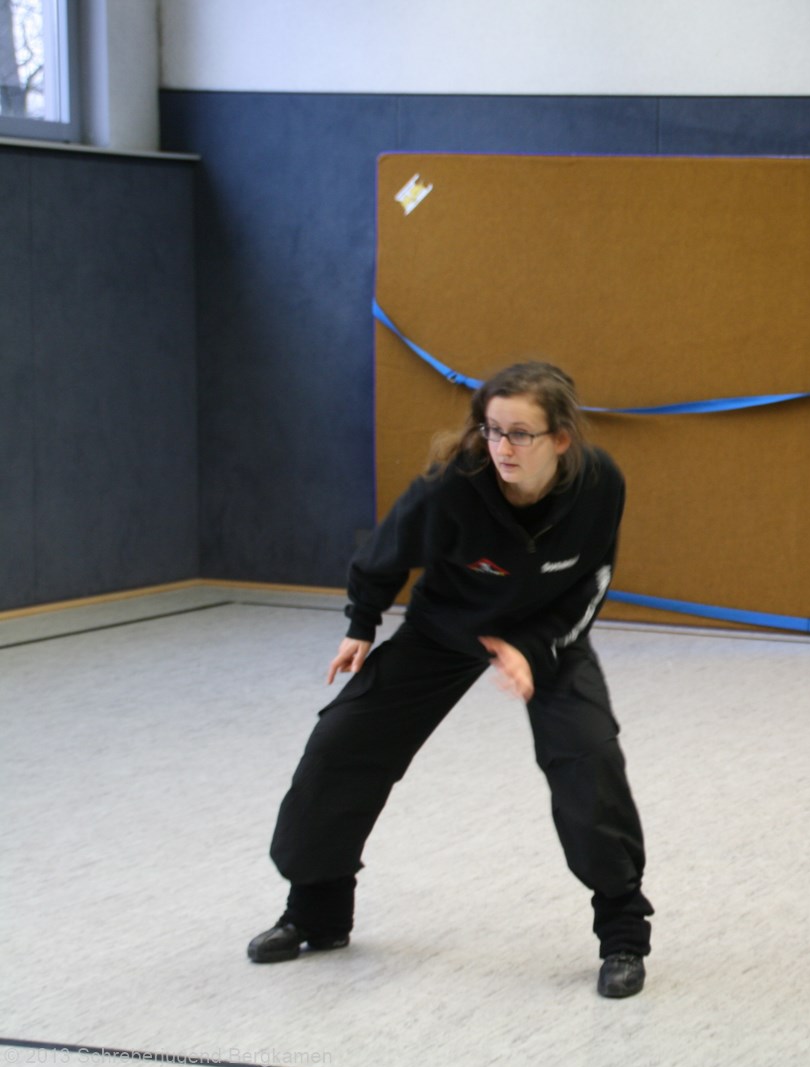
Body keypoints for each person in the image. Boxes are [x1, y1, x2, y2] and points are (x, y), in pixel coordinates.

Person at [246, 360, 653, 999]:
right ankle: (316, 914)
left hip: (547, 635)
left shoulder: (599, 485)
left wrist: (531, 648)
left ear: (561, 438)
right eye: (492, 430)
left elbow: (593, 583)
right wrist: (361, 623)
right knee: (343, 746)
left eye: (520, 434)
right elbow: (386, 550)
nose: (502, 447)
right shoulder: (453, 485)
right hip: (446, 628)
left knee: (588, 760)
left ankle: (623, 935)